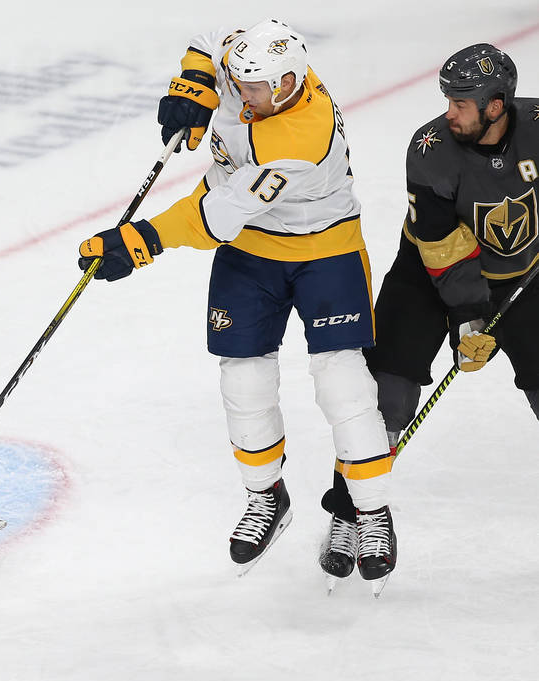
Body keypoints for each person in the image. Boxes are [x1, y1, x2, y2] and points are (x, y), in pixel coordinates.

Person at [76, 19, 396, 590]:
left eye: (254, 89)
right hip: (252, 254)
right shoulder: (252, 67)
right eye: (237, 83)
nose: (243, 95)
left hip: (326, 251)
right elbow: (209, 32)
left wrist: (140, 241)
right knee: (243, 381)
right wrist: (194, 82)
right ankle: (266, 497)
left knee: (341, 381)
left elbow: (220, 214)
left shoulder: (300, 137)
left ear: (290, 83)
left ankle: (371, 510)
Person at [361, 43, 538, 449]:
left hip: (524, 274)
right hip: (427, 269)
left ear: (494, 106)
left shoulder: (537, 124)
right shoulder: (431, 148)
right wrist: (470, 317)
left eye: (459, 103)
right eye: (447, 101)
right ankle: (357, 500)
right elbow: (441, 241)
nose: (448, 113)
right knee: (387, 383)